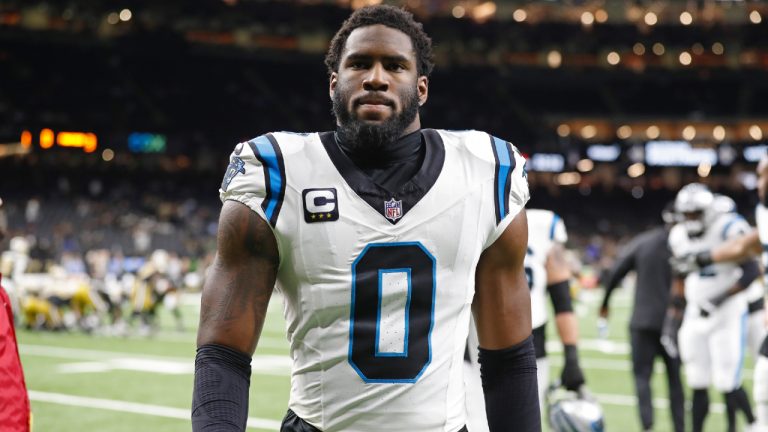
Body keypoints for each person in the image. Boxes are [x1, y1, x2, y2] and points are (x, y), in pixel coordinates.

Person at [191, 5, 537, 432]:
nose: (376, 77)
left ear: (421, 88)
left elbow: (509, 360)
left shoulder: (485, 171)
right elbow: (223, 353)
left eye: (395, 65)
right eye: (359, 64)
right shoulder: (277, 173)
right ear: (334, 83)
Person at [464, 208, 586, 432]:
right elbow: (562, 300)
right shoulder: (545, 223)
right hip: (526, 338)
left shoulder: (478, 209)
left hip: (478, 338)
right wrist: (571, 355)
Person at [672, 157, 768, 432]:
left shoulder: (728, 226)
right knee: (699, 378)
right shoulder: (678, 235)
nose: (690, 219)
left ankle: (745, 426)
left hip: (727, 312)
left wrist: (717, 293)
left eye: (763, 176)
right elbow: (679, 275)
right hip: (696, 311)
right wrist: (675, 312)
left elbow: (748, 265)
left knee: (730, 379)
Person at [598, 203, 684, 432]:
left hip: (643, 320)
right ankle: (680, 427)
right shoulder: (685, 245)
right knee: (675, 380)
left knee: (642, 377)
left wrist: (605, 304)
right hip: (673, 322)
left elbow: (616, 271)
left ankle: (647, 426)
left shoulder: (644, 242)